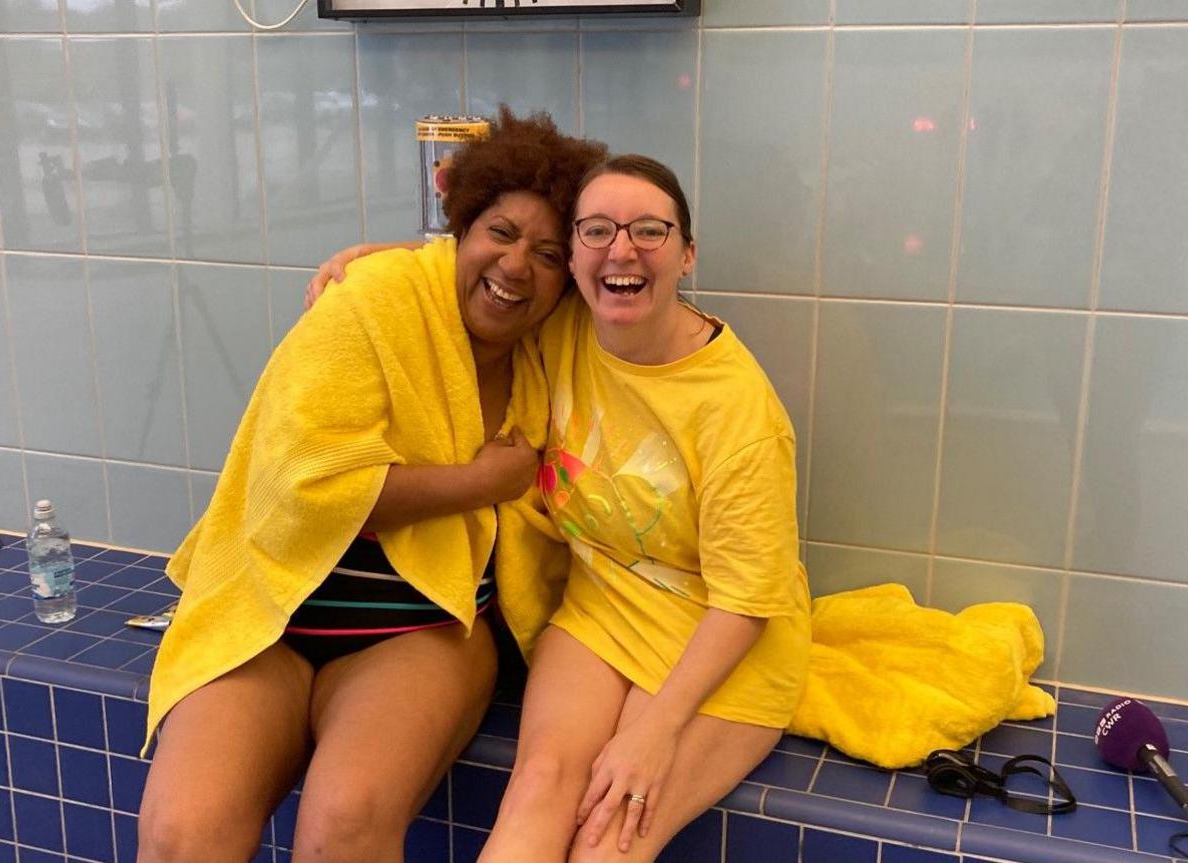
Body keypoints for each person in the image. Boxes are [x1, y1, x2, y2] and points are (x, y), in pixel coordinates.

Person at [309, 154, 811, 862]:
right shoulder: (565, 323)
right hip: (605, 608)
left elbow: (747, 600)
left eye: (649, 231)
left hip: (724, 636)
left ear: (688, 254)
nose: (622, 249)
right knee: (540, 783)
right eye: (597, 231)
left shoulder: (739, 412)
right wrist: (376, 260)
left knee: (611, 835)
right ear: (573, 257)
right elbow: (490, 267)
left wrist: (652, 731)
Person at [137, 108, 607, 863]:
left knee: (344, 828)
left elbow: (629, 289)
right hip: (272, 616)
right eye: (499, 233)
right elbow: (309, 490)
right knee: (180, 836)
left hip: (417, 631)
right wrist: (479, 481)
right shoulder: (369, 303)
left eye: (549, 253)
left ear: (569, 278)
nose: (519, 265)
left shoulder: (551, 338)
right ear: (460, 228)